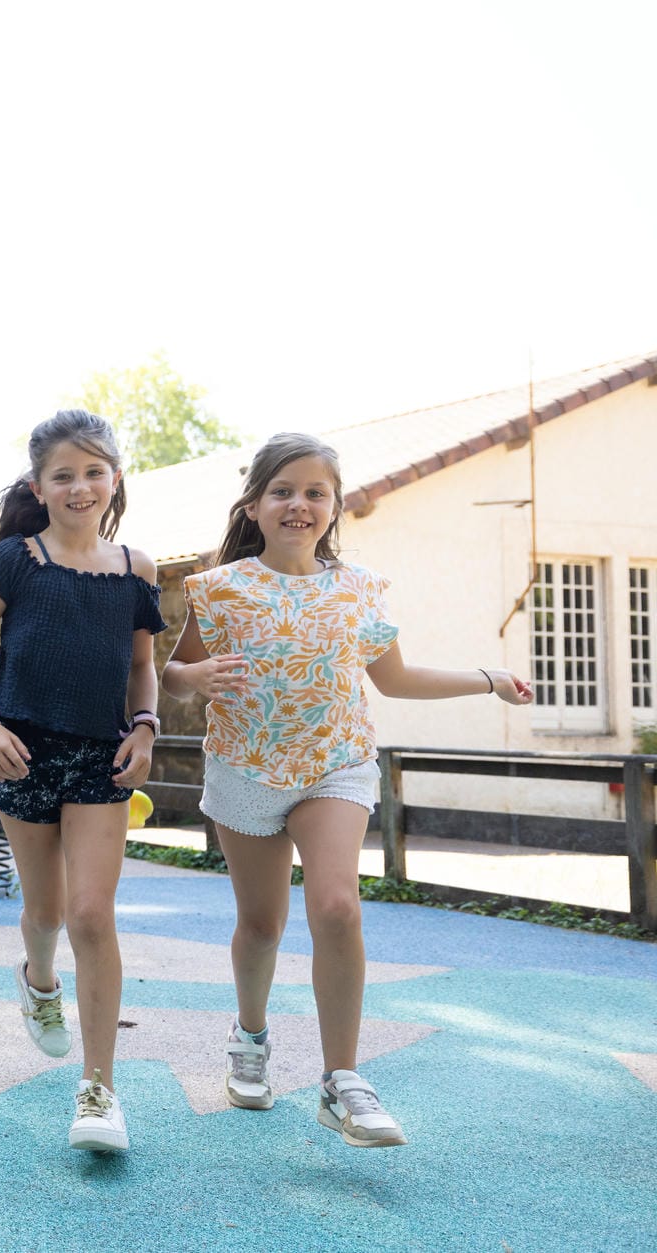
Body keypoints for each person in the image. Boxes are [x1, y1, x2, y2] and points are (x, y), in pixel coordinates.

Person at [164, 432, 533, 1148]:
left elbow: (394, 678)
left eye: (315, 492)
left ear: (335, 506)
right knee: (263, 924)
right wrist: (190, 680)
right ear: (255, 504)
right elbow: (176, 671)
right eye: (283, 491)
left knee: (336, 905)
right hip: (245, 766)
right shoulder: (218, 587)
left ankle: (342, 1080)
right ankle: (250, 1036)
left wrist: (488, 678)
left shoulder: (358, 588)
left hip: (335, 763)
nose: (299, 504)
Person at [0, 409, 165, 1153]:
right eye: (64, 474)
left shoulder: (138, 569)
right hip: (20, 749)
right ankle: (39, 979)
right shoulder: (14, 560)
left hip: (101, 757)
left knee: (91, 915)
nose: (81, 486)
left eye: (94, 471)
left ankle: (99, 1088)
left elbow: (143, 665)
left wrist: (145, 725)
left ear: (114, 479)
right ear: (40, 487)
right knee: (43, 911)